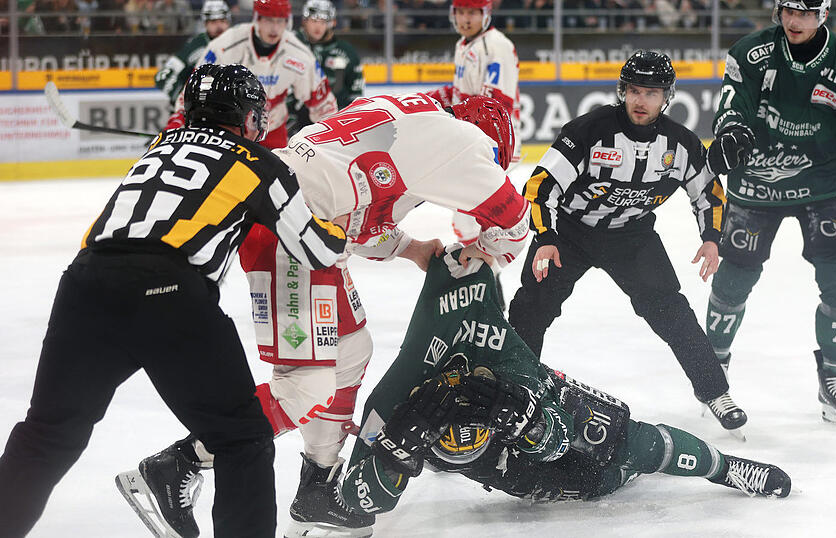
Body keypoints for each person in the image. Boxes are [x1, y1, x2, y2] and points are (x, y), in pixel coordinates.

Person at [117, 94, 530, 538]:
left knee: (353, 351)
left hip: (298, 229)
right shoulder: (465, 142)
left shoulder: (404, 116)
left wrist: (409, 248)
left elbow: (355, 216)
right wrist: (483, 254)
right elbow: (515, 219)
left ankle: (318, 488)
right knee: (304, 387)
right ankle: (176, 463)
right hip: (290, 234)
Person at [0, 63, 348, 538]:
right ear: (248, 118)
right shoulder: (260, 164)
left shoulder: (159, 146)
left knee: (47, 434)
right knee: (242, 438)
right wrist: (343, 222)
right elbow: (316, 249)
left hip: (84, 282)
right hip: (168, 294)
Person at [337, 247, 790, 522]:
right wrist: (394, 457)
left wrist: (531, 422)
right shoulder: (406, 401)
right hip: (509, 469)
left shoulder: (508, 365)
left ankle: (725, 468)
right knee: (595, 481)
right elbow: (359, 501)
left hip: (526, 410)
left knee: (623, 439)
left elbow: (554, 436)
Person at [507, 50, 746, 436]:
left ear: (667, 96)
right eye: (634, 90)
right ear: (622, 90)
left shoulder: (680, 144)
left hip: (632, 237)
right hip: (569, 233)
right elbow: (540, 185)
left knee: (671, 311)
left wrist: (711, 238)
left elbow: (709, 194)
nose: (641, 100)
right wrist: (546, 237)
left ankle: (715, 392)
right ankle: (516, 390)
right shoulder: (588, 130)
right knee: (532, 306)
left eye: (651, 93)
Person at [704, 0, 836, 430]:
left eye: (804, 13)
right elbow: (733, 102)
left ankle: (835, 379)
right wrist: (731, 131)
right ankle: (711, 372)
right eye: (787, 10)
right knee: (734, 279)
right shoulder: (751, 53)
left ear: (823, 14)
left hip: (825, 185)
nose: (793, 21)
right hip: (758, 180)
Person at [165, 0, 338, 149]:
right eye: (269, 20)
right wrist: (178, 121)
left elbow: (324, 104)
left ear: (288, 22)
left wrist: (330, 139)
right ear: (257, 19)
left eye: (280, 21)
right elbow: (195, 87)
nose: (274, 28)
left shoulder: (300, 54)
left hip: (273, 131)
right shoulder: (226, 44)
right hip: (229, 130)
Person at [425, 0, 522, 256]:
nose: (466, 19)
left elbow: (495, 106)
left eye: (472, 13)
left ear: (486, 15)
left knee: (470, 215)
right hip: (472, 141)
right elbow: (461, 94)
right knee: (466, 217)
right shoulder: (464, 45)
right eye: (461, 12)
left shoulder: (496, 46)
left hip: (496, 143)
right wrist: (431, 100)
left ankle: (488, 270)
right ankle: (485, 270)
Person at [154, 0, 231, 110]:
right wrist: (182, 99)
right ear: (205, 23)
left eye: (222, 21)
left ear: (229, 22)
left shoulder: (239, 43)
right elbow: (162, 76)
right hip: (197, 113)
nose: (219, 26)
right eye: (213, 21)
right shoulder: (196, 45)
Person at [293, 0, 364, 116]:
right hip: (298, 117)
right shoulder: (292, 45)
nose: (318, 26)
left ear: (332, 22)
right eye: (314, 21)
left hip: (336, 117)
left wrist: (349, 115)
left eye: (323, 21)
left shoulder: (345, 51)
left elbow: (356, 92)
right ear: (304, 21)